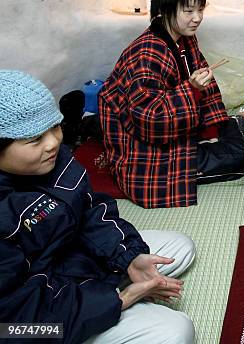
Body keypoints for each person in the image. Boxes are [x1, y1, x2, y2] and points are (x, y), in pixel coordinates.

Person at [0, 70, 196, 344]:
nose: (53, 143)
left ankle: (118, 286)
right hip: (34, 321)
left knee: (180, 248)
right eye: (34, 140)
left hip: (73, 264)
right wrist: (118, 301)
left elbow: (91, 210)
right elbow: (12, 326)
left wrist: (128, 256)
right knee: (176, 332)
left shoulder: (53, 159)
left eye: (54, 128)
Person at [99, 0, 244, 209]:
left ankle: (217, 139)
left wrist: (211, 131)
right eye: (189, 10)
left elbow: (207, 91)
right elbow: (149, 120)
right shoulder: (147, 53)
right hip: (147, 154)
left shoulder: (185, 39)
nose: (197, 18)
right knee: (241, 156)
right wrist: (191, 90)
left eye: (200, 9)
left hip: (180, 132)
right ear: (164, 10)